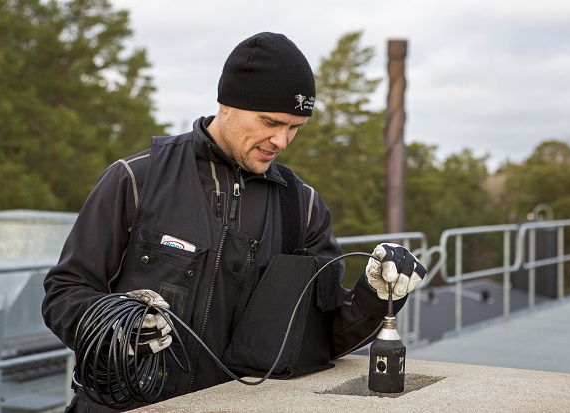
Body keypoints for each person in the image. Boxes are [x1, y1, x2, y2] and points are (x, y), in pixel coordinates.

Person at [42, 32, 426, 412]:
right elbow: (65, 291)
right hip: (126, 406)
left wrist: (376, 297)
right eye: (270, 122)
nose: (281, 140)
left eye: (294, 127)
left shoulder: (303, 206)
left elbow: (324, 338)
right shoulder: (136, 180)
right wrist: (117, 328)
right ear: (227, 104)